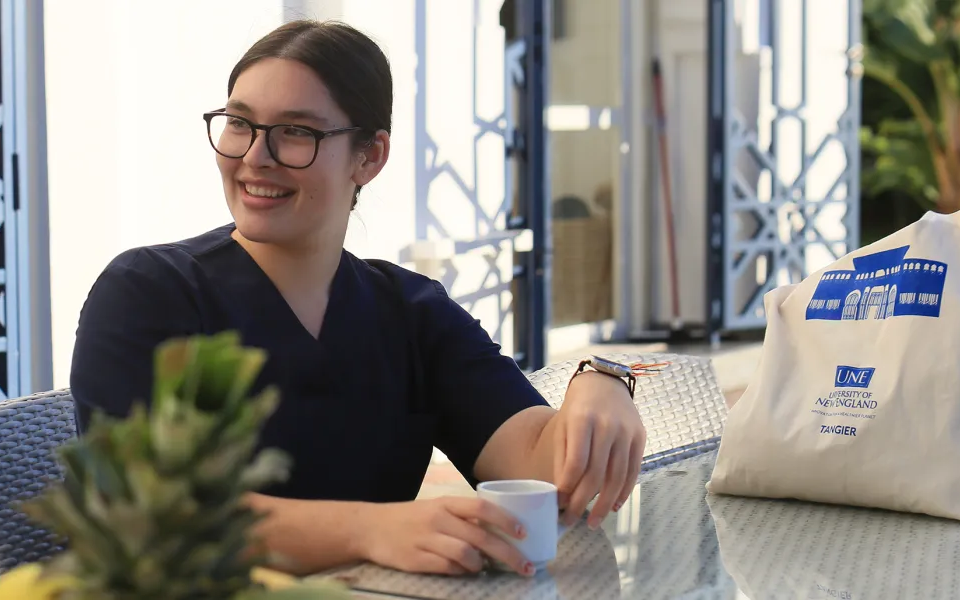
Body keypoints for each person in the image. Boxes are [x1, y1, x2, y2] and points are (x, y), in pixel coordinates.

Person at [70, 19, 644, 578]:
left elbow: (539, 474)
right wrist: (374, 529)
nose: (255, 156)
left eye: (297, 131)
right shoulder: (147, 293)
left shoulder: (413, 314)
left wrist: (600, 383)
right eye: (240, 123)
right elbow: (149, 518)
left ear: (369, 157)